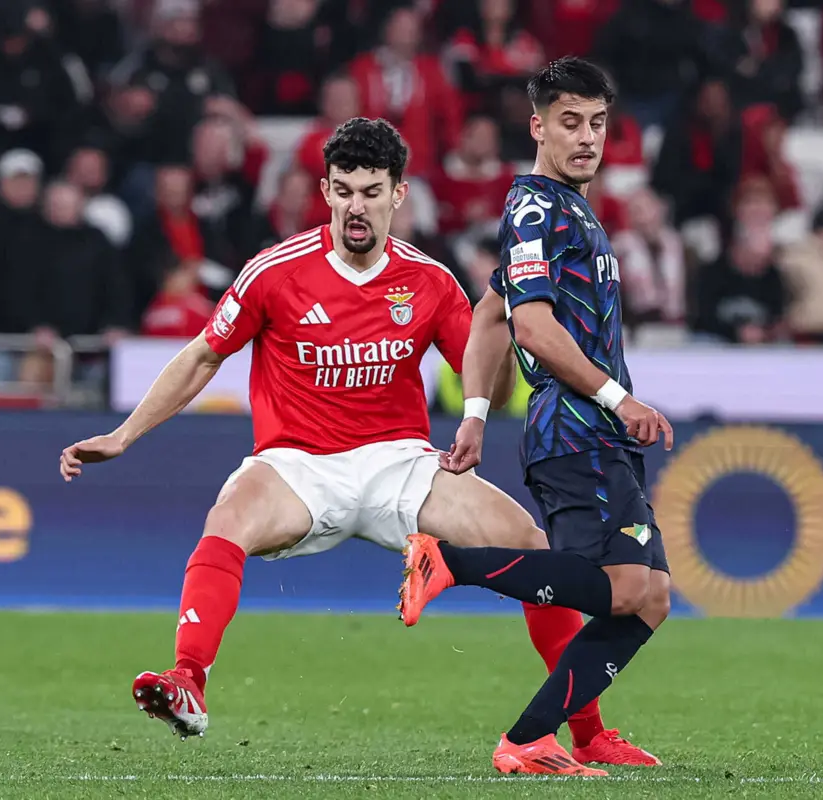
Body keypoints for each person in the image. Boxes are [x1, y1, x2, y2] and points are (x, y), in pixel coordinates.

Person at [60, 116, 657, 770]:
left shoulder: (428, 281)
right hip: (297, 465)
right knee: (227, 517)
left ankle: (587, 731)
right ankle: (188, 680)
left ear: (398, 195)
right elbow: (203, 356)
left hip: (399, 463)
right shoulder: (274, 272)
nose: (356, 205)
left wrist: (510, 318)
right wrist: (121, 437)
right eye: (343, 190)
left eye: (371, 191)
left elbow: (489, 369)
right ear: (325, 191)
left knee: (525, 539)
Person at [398, 57, 673, 777]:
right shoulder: (535, 209)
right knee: (618, 588)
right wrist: (620, 398)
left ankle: (580, 738)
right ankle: (448, 563)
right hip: (577, 428)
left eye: (598, 123)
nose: (587, 138)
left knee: (651, 598)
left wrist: (477, 416)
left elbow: (490, 313)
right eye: (570, 122)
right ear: (538, 126)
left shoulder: (567, 211)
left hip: (595, 431)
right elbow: (532, 329)